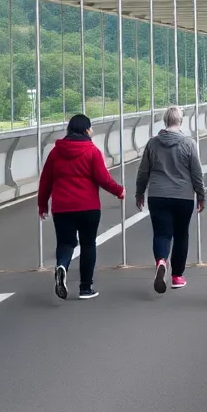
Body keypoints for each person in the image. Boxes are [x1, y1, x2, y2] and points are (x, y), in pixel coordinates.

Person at [38, 113, 125, 301]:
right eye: (91, 127)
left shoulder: (55, 152)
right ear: (86, 129)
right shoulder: (92, 151)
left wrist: (42, 204)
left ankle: (62, 266)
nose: (92, 131)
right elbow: (103, 179)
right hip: (88, 207)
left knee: (65, 243)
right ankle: (86, 288)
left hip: (62, 208)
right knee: (87, 245)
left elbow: (45, 180)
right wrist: (119, 191)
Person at [135, 105, 205, 293]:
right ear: (180, 121)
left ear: (165, 121)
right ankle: (177, 276)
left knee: (162, 234)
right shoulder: (189, 143)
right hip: (183, 196)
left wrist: (139, 192)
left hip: (158, 195)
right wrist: (201, 194)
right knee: (181, 235)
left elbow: (143, 171)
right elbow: (196, 172)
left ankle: (160, 261)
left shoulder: (152, 143)